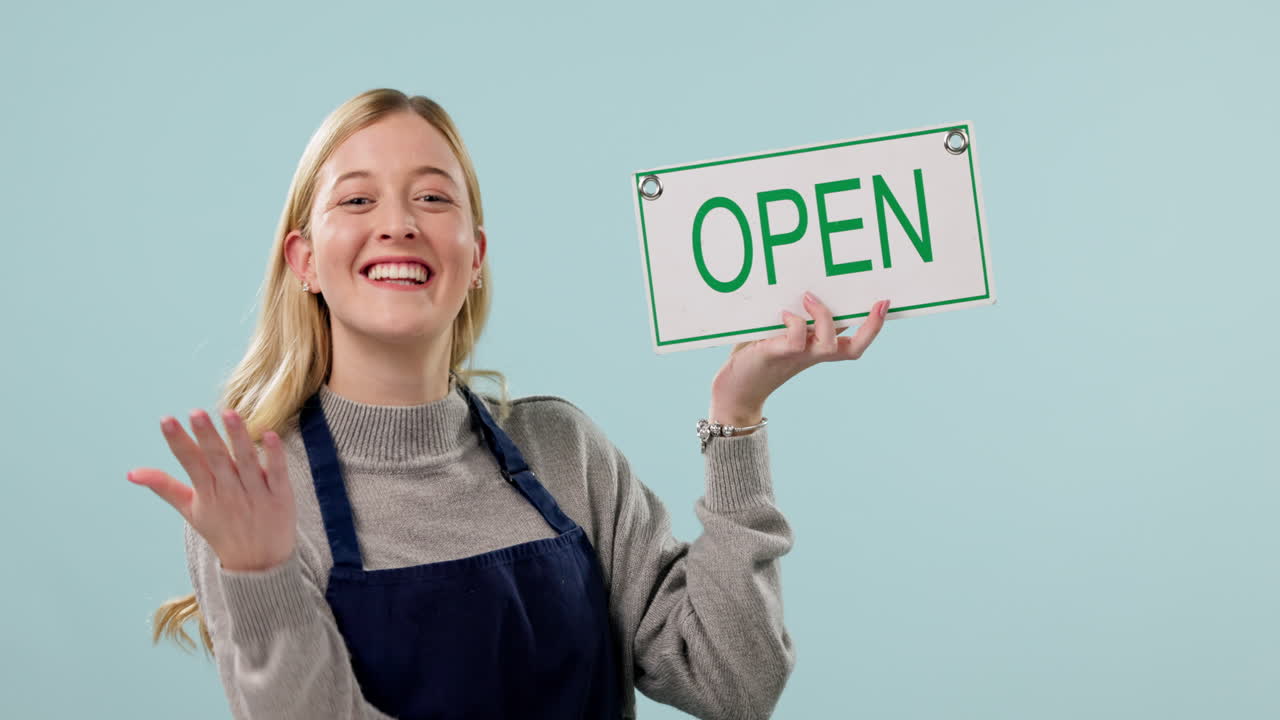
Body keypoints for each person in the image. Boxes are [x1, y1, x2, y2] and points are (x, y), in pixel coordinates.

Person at [127, 87, 891, 720]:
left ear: (476, 257)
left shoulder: (562, 449)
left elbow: (734, 683)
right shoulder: (262, 493)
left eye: (432, 196)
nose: (398, 223)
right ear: (304, 261)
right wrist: (258, 577)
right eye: (357, 199)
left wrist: (738, 418)